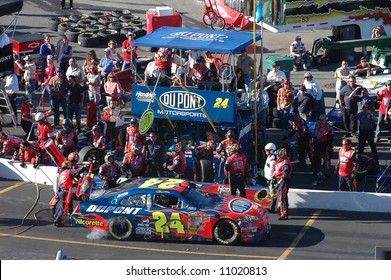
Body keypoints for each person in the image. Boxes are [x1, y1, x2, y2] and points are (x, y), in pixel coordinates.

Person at [53, 162, 86, 227]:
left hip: (60, 190)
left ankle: (56, 216)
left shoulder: (61, 172)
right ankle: (57, 221)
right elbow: (77, 171)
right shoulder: (69, 172)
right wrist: (84, 167)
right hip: (65, 191)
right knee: (63, 207)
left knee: (61, 205)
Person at [312, 114, 334, 186]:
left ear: (325, 120)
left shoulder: (329, 127)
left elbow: (331, 138)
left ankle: (326, 173)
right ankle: (317, 171)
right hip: (317, 144)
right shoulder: (317, 124)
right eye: (319, 119)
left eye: (322, 120)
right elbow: (315, 134)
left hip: (325, 145)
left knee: (326, 160)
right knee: (316, 158)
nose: (320, 121)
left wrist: (329, 147)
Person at [271, 148, 292, 220]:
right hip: (278, 180)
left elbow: (285, 174)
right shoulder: (278, 162)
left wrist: (279, 182)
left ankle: (284, 214)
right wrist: (273, 179)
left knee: (282, 197)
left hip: (283, 181)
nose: (277, 157)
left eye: (278, 155)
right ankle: (281, 211)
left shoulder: (285, 163)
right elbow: (276, 171)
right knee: (279, 197)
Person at [263, 143, 277, 212]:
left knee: (273, 193)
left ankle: (273, 208)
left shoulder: (272, 158)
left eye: (267, 150)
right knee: (272, 192)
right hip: (269, 178)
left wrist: (271, 178)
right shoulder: (270, 157)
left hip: (272, 179)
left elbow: (272, 168)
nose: (266, 152)